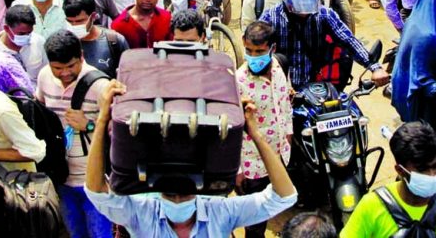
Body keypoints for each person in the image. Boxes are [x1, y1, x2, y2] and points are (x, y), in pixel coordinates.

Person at [84, 79, 299, 237]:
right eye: (171, 194)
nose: (178, 201)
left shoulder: (221, 212)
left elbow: (284, 196)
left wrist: (255, 133)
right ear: (157, 192)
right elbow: (96, 191)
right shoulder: (142, 212)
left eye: (184, 194)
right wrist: (103, 118)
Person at [36, 31, 112, 238]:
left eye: (71, 66)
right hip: (62, 178)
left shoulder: (101, 87)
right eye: (57, 68)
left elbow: (117, 136)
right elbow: (40, 115)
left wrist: (87, 125)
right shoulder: (44, 77)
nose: (64, 73)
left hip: (94, 181)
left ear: (81, 56)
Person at [342, 121, 436, 238]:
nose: (431, 175)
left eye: (435, 166)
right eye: (422, 169)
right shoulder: (371, 206)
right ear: (400, 170)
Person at [261, 0, 389, 89]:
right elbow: (256, 48)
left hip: (316, 84)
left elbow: (348, 40)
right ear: (286, 0)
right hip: (280, 86)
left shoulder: (323, 14)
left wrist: (375, 68)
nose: (304, 8)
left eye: (307, 1)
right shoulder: (271, 17)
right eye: (299, 3)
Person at [235, 21, 293, 238]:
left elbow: (285, 103)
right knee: (255, 225)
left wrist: (288, 133)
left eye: (259, 51)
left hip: (279, 156)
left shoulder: (280, 65)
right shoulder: (238, 82)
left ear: (272, 49)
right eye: (249, 50)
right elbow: (234, 129)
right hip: (253, 165)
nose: (253, 56)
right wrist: (238, 170)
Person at [391, 0, 436, 131]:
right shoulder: (427, 36)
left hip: (403, 87)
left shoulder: (413, 23)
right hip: (420, 101)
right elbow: (421, 80)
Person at [0, 4, 48, 93]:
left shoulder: (38, 41)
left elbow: (47, 72)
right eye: (21, 34)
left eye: (29, 33)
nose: (27, 37)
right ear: (6, 28)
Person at [62, 0, 129, 78]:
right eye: (70, 21)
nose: (74, 25)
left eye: (80, 21)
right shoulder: (63, 43)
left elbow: (128, 76)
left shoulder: (114, 41)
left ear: (93, 17)